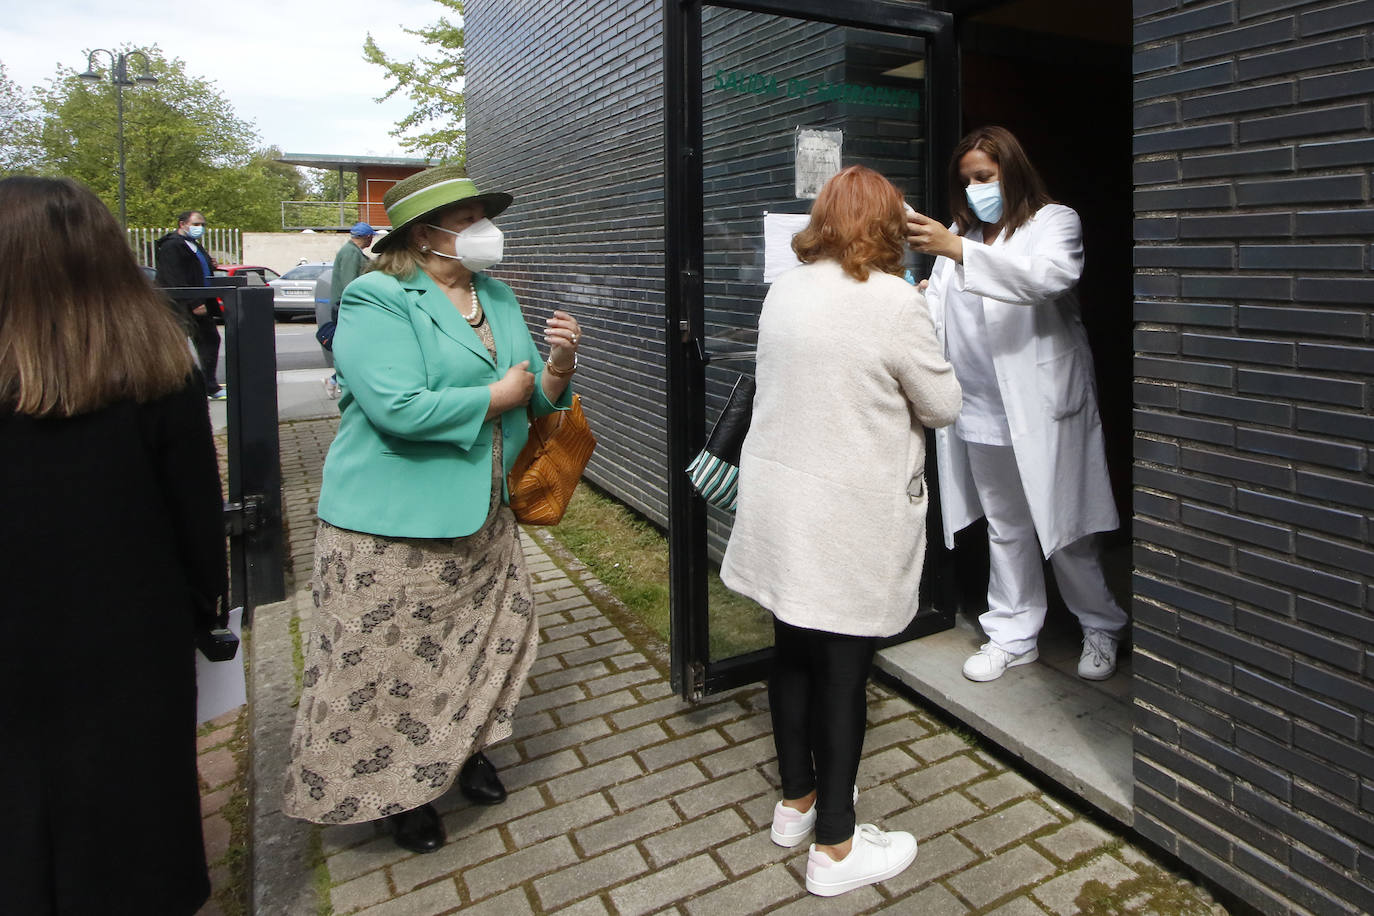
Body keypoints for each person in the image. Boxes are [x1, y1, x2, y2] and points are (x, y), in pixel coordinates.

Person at [282, 165, 583, 854]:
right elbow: (396, 408)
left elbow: (536, 395)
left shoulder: (496, 296)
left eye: (485, 216)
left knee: (481, 651)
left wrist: (559, 368)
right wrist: (496, 399)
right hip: (390, 526)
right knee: (385, 668)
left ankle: (466, 752)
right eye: (471, 219)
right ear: (427, 235)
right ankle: (399, 794)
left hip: (484, 514)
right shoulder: (377, 299)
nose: (486, 231)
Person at [720, 165, 962, 897]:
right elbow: (943, 403)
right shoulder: (894, 302)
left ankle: (794, 802)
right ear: (888, 224)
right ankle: (834, 845)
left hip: (781, 503)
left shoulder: (785, 288)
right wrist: (923, 319)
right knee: (845, 670)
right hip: (850, 515)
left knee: (792, 649)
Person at [0, 176, 227, 915]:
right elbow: (195, 508)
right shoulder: (158, 361)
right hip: (130, 626)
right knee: (136, 796)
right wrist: (206, 602)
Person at [907, 125, 1128, 683]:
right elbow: (938, 308)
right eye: (968, 180)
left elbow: (1047, 279)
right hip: (980, 405)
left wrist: (959, 250)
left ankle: (1100, 625)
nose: (977, 187)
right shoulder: (962, 230)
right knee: (1007, 525)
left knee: (1069, 525)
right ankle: (1013, 632)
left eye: (985, 176)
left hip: (1043, 407)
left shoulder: (1054, 222)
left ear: (1013, 170)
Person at [155, 209, 225, 399]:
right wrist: (194, 302)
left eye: (202, 225)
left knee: (210, 340)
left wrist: (210, 264)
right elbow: (174, 277)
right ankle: (178, 387)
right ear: (182, 224)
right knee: (179, 346)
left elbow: (196, 270)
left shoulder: (193, 245)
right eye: (195, 224)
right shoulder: (172, 246)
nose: (200, 228)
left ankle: (209, 386)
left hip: (198, 304)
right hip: (180, 306)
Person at [319, 221, 376, 398]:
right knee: (357, 347)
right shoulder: (351, 253)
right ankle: (336, 380)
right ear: (367, 237)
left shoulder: (351, 251)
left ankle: (338, 380)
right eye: (371, 238)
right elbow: (350, 284)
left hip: (344, 305)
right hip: (347, 307)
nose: (371, 242)